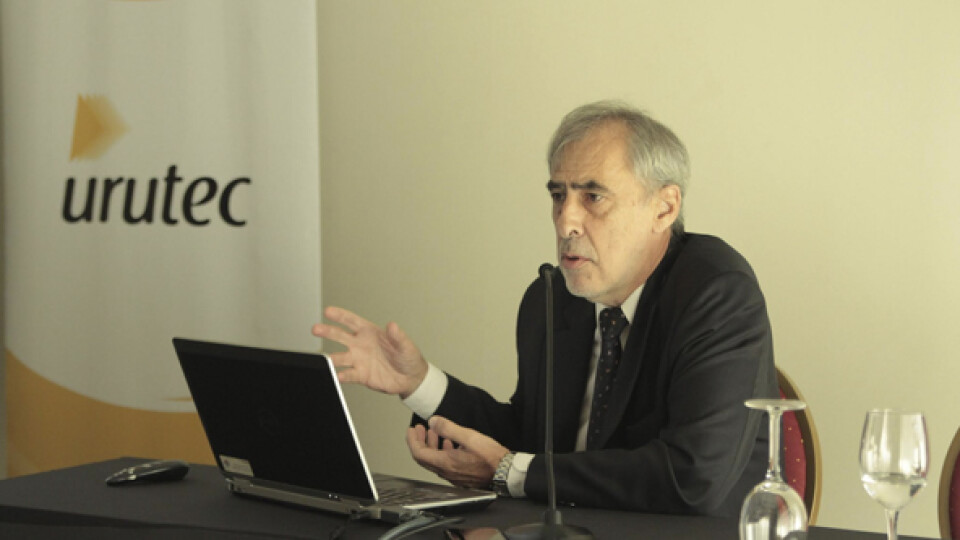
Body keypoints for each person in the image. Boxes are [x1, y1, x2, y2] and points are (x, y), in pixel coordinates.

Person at [312, 101, 778, 517]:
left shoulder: (716, 294)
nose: (566, 221)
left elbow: (692, 476)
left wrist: (509, 473)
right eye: (558, 196)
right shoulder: (551, 299)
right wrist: (419, 384)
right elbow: (531, 437)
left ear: (663, 208)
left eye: (593, 197)